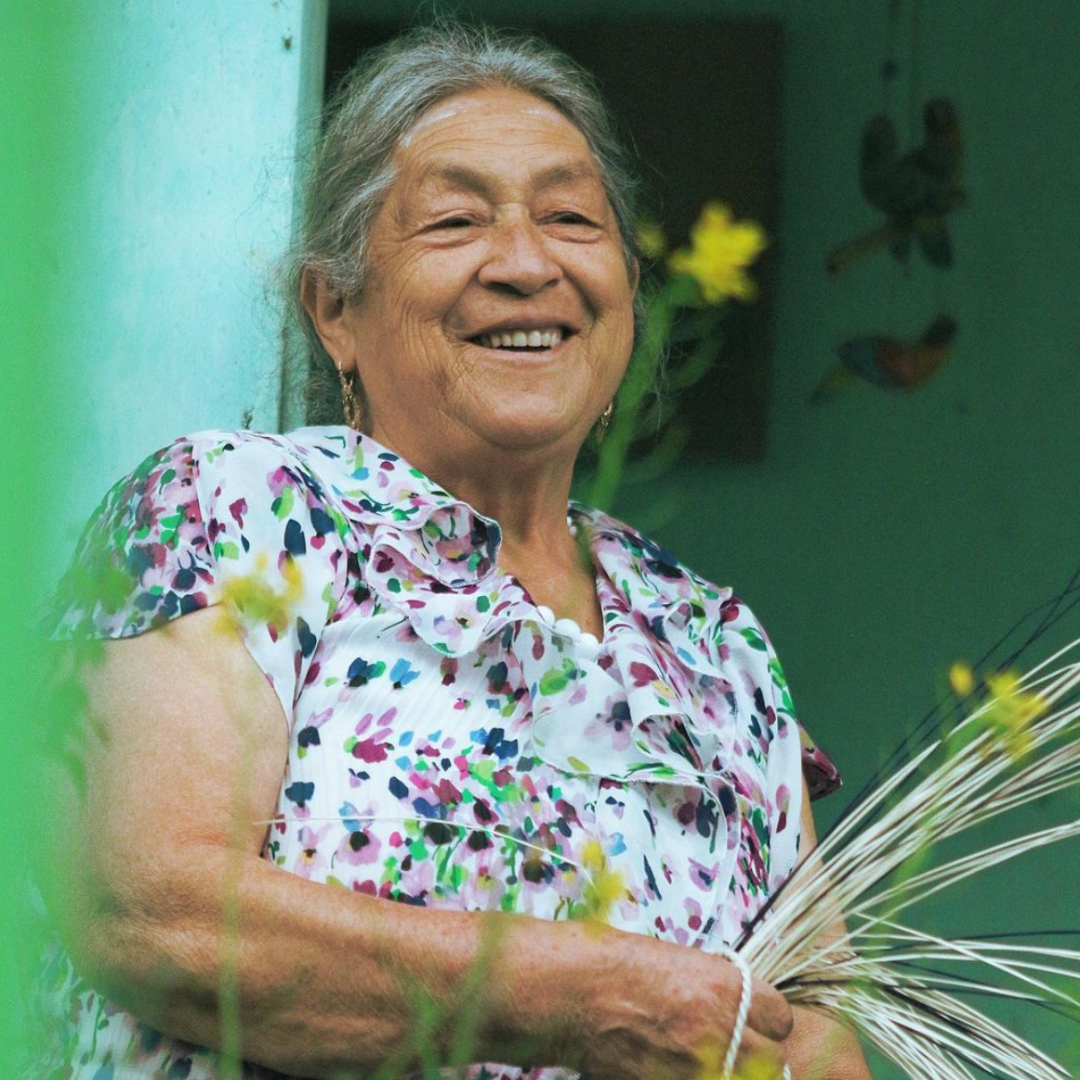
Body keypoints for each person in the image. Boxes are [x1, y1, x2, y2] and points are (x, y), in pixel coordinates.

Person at [32, 21, 872, 1080]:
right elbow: (150, 911)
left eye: (571, 217)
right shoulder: (237, 509)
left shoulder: (715, 645)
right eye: (454, 221)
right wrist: (584, 997)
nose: (526, 263)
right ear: (335, 307)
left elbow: (820, 1044)